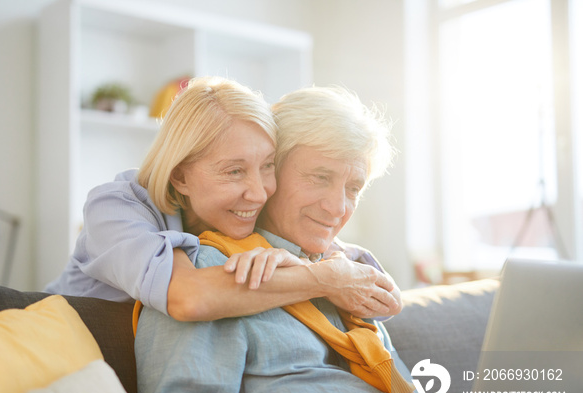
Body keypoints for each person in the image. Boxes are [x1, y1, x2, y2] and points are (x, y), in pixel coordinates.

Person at [135, 86, 583, 393]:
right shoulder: (210, 276)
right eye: (319, 177)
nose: (337, 209)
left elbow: (392, 392)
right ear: (271, 171)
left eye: (353, 188)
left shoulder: (346, 274)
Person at [44, 76, 402, 322]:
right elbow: (189, 297)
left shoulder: (245, 214)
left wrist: (331, 266)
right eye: (234, 171)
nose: (259, 192)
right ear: (180, 176)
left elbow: (384, 300)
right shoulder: (116, 207)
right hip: (58, 349)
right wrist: (325, 279)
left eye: (266, 166)